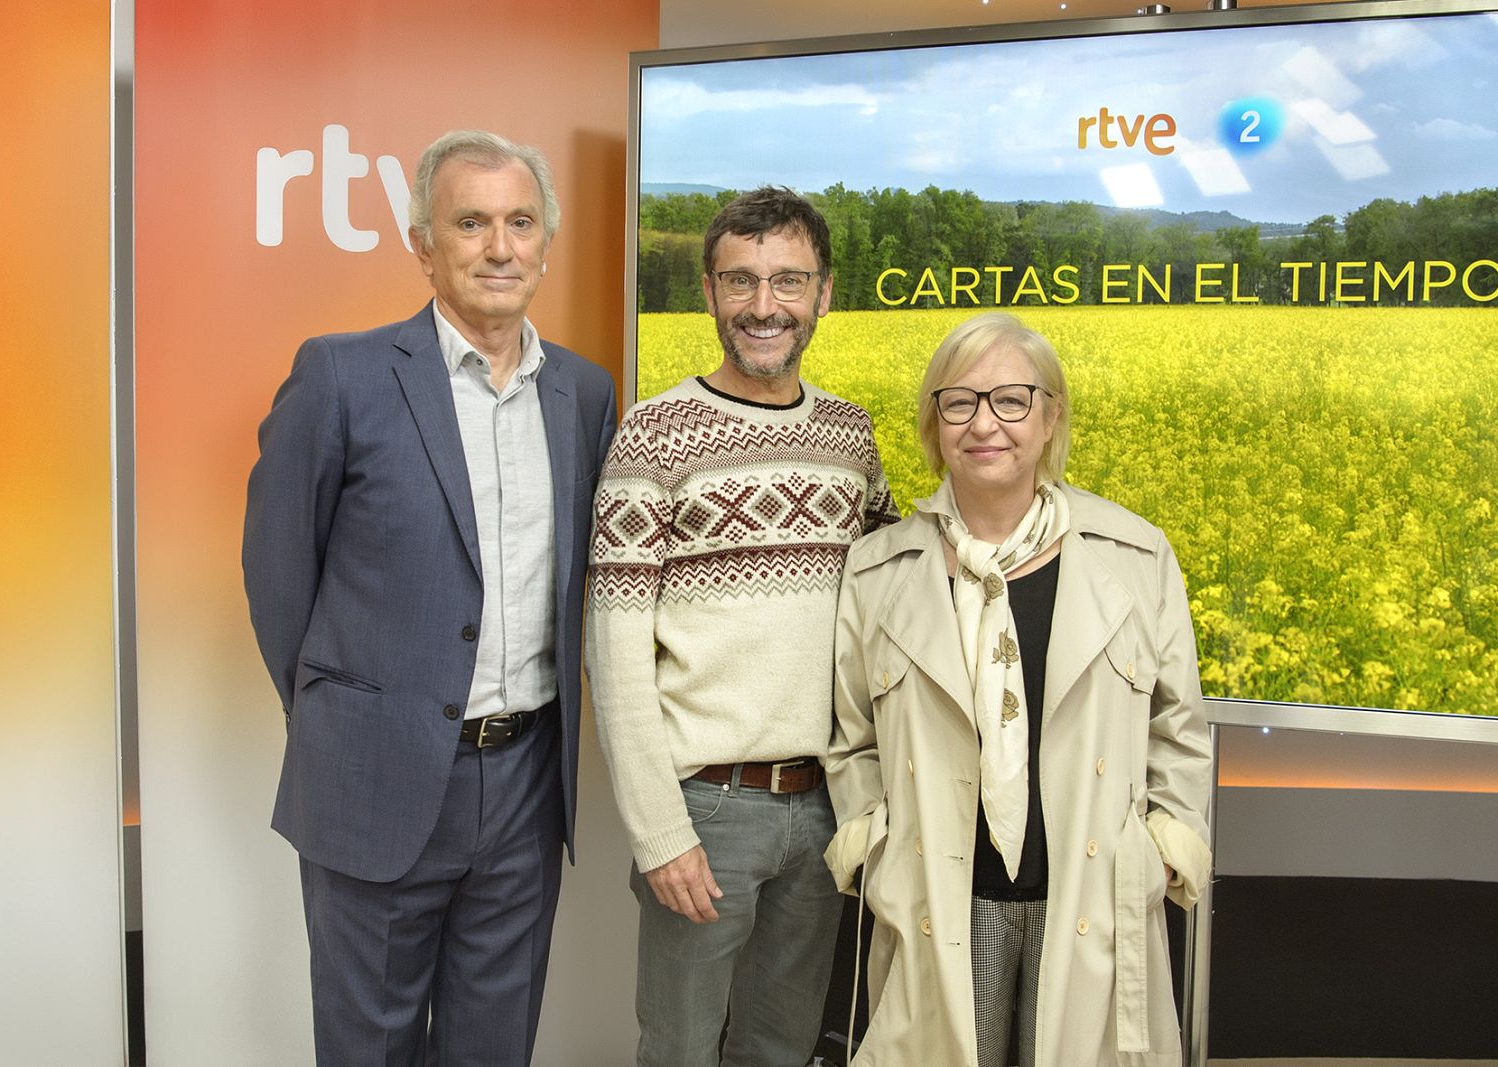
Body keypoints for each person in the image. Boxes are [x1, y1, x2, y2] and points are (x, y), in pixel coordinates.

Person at [242, 129, 616, 1066]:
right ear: (423, 245)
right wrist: (349, 717)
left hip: (526, 785)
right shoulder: (341, 376)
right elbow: (278, 575)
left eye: (520, 222)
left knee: (497, 1046)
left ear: (545, 242)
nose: (500, 247)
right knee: (369, 1047)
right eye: (471, 223)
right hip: (376, 779)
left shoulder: (583, 392)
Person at [824, 312, 1213, 1067]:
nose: (984, 424)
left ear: (1050, 416)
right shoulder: (878, 571)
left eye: (1011, 400)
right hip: (942, 901)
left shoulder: (1135, 556)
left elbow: (1178, 728)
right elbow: (852, 739)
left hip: (1089, 897)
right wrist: (878, 853)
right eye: (959, 402)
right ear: (934, 423)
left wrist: (1161, 851)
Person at [585, 186, 898, 1066]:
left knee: (783, 1047)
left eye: (788, 280)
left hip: (825, 805)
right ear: (709, 293)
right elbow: (615, 656)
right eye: (741, 281)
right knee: (681, 1048)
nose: (765, 306)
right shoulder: (653, 437)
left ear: (823, 293)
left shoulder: (851, 436)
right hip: (706, 809)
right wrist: (659, 831)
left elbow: (889, 600)